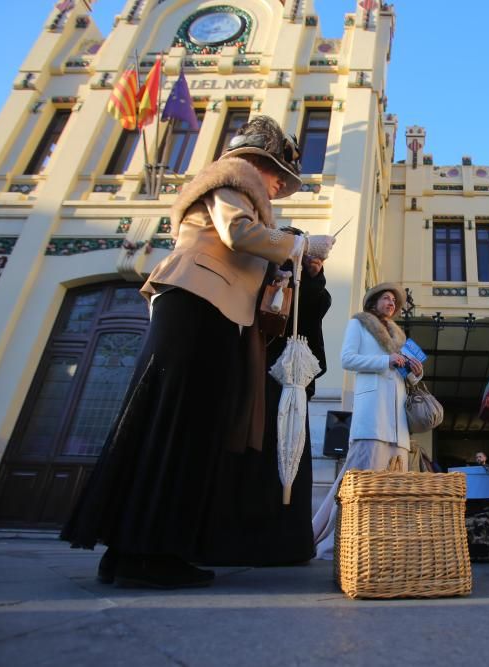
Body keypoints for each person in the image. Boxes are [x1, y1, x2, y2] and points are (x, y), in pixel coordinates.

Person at [60, 116, 336, 589]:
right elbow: (238, 235)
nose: (278, 188)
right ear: (260, 163)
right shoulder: (234, 177)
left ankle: (133, 550)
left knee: (173, 425)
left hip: (207, 307)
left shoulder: (240, 184)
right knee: (179, 426)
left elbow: (243, 252)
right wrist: (301, 243)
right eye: (279, 178)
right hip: (198, 304)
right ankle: (148, 554)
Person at [195, 253, 332, 567]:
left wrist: (310, 274)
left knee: (286, 456)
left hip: (287, 384)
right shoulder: (257, 281)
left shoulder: (307, 289)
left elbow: (314, 305)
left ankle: (279, 542)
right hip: (251, 381)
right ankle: (234, 537)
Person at [310, 283, 423, 560]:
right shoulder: (358, 325)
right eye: (386, 298)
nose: (391, 303)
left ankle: (383, 547)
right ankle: (331, 543)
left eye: (394, 301)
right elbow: (347, 359)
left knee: (394, 491)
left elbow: (402, 375)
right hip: (372, 418)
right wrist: (386, 361)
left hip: (398, 423)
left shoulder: (399, 335)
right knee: (356, 486)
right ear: (373, 302)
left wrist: (414, 373)